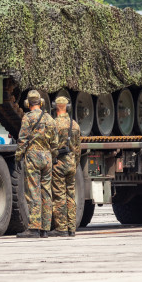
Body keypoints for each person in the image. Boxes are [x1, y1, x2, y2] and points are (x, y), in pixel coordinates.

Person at [15, 90, 58, 238]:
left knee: (33, 191)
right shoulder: (50, 119)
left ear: (28, 104)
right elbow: (55, 143)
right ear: (41, 103)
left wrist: (18, 156)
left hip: (33, 157)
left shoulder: (27, 118)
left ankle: (33, 227)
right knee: (46, 192)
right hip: (47, 157)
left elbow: (22, 139)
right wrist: (52, 155)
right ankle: (45, 228)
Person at [49, 96, 81, 237]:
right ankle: (72, 228)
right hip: (71, 163)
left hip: (59, 163)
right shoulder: (74, 125)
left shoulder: (53, 124)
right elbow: (78, 148)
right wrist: (75, 162)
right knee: (71, 195)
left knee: (59, 195)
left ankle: (61, 228)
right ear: (67, 107)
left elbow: (50, 145)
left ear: (55, 107)